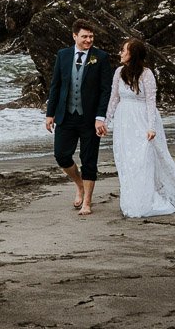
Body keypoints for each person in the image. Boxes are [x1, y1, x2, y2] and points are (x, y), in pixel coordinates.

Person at [104, 37, 175, 218]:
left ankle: (148, 198)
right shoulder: (118, 72)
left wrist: (151, 127)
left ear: (133, 54)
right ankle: (132, 199)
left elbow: (150, 102)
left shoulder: (147, 74)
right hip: (124, 122)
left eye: (124, 50)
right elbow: (114, 98)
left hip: (142, 120)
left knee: (144, 159)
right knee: (127, 161)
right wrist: (106, 122)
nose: (120, 53)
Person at [43, 19, 113, 216]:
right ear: (75, 36)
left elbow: (105, 90)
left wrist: (101, 117)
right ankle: (79, 185)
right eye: (84, 36)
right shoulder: (63, 55)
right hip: (65, 115)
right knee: (61, 155)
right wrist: (50, 114)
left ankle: (87, 202)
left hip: (90, 118)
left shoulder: (101, 57)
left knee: (89, 160)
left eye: (91, 36)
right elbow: (55, 85)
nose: (88, 40)